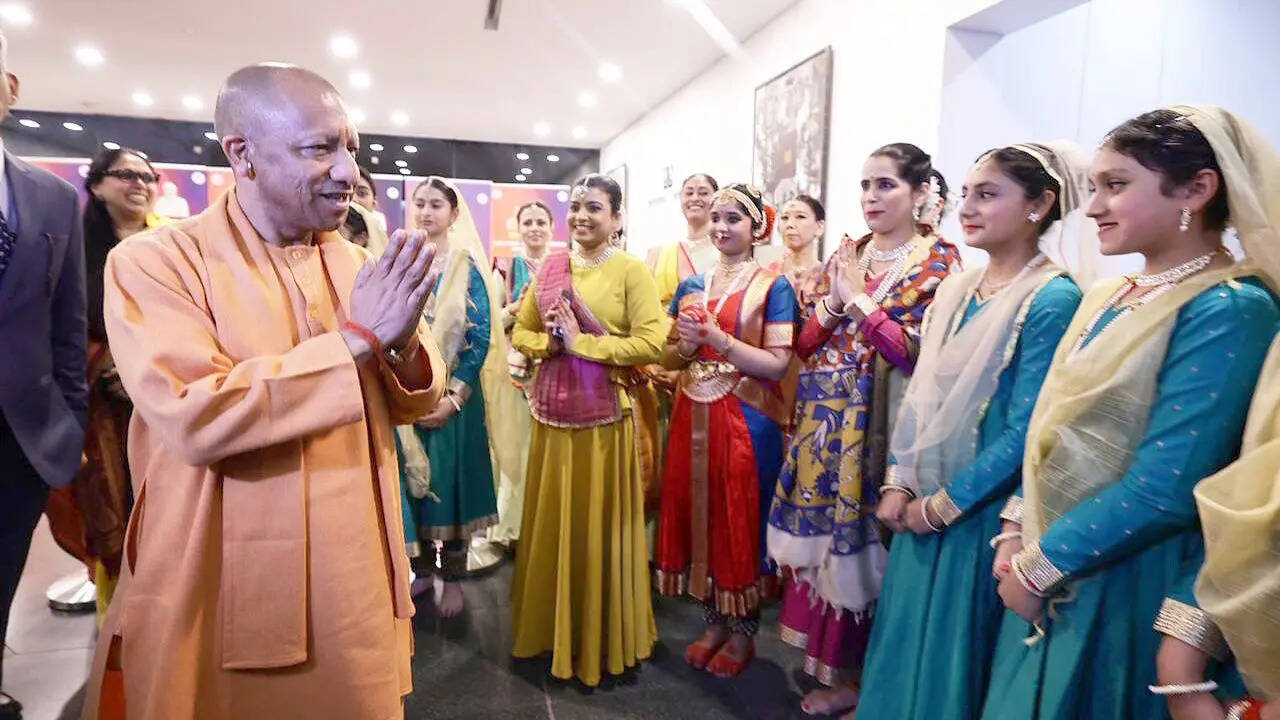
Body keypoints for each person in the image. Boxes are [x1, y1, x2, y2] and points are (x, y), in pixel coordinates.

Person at [82, 63, 447, 720]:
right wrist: (359, 339)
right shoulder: (155, 263)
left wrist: (402, 346)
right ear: (242, 153)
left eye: (351, 148)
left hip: (355, 575)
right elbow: (197, 415)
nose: (348, 171)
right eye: (320, 148)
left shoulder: (357, 262)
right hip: (222, 576)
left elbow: (415, 399)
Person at [981, 106, 1280, 720]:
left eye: (1115, 185)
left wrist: (1040, 566)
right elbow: (1051, 429)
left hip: (1127, 572)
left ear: (1196, 190)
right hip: (1055, 551)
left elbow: (1168, 486)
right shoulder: (1109, 295)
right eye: (1093, 187)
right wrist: (1015, 529)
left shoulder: (1230, 307)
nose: (1093, 207)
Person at [855, 143, 1087, 720]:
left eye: (987, 195)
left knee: (951, 656)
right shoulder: (959, 288)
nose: (967, 208)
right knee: (904, 641)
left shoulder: (1053, 297)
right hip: (922, 498)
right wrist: (900, 479)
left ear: (1040, 204)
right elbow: (922, 393)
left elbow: (1030, 428)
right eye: (965, 194)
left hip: (978, 512)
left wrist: (941, 508)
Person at [766, 143, 961, 716]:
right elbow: (805, 344)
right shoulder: (849, 253)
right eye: (865, 185)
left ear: (920, 192)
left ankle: (874, 685)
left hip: (880, 425)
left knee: (872, 553)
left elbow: (915, 355)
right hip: (824, 421)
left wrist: (857, 302)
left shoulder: (939, 262)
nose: (871, 197)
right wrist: (835, 300)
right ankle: (845, 676)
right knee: (828, 551)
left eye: (886, 185)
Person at [510, 173, 666, 688]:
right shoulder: (553, 266)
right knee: (555, 527)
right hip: (553, 418)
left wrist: (586, 345)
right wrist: (550, 345)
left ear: (617, 218)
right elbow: (522, 329)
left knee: (599, 531)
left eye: (594, 207)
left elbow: (652, 343)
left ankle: (601, 640)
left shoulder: (631, 271)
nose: (581, 216)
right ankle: (549, 633)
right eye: (576, 206)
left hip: (605, 423)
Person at [654, 183, 797, 677]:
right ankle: (712, 622)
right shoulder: (691, 286)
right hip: (692, 412)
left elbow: (777, 365)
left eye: (733, 218)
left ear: (757, 227)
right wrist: (688, 347)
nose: (721, 227)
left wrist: (717, 338)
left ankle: (742, 632)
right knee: (699, 514)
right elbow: (669, 357)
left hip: (747, 418)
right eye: (716, 217)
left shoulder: (774, 286)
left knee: (739, 517)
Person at [0, 29, 88, 720]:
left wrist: (71, 423)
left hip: (21, 437)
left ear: (10, 89)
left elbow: (67, 324)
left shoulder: (51, 199)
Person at [394, 177, 518, 617]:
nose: (426, 212)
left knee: (452, 482)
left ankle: (452, 575)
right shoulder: (402, 261)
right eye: (420, 203)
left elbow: (480, 336)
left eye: (435, 205)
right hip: (406, 393)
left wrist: (453, 398)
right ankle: (423, 572)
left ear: (453, 213)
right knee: (409, 484)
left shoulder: (466, 265)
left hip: (455, 402)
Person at [55, 148, 162, 620]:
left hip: (165, 401)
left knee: (170, 507)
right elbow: (59, 326)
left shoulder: (172, 244)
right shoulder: (72, 249)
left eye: (147, 176)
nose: (139, 184)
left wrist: (144, 369)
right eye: (126, 175)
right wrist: (108, 365)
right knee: (112, 508)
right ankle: (119, 624)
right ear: (97, 185)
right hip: (100, 407)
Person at [489, 200, 553, 544]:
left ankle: (546, 526)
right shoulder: (505, 267)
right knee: (517, 449)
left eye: (541, 222)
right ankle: (512, 529)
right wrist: (517, 307)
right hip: (517, 372)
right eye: (528, 222)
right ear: (518, 227)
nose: (535, 228)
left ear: (552, 228)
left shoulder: (565, 265)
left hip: (556, 368)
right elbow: (491, 320)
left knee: (549, 450)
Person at [647, 173, 720, 308]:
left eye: (703, 193)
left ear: (716, 200)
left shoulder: (724, 251)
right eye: (689, 193)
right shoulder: (660, 254)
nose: (695, 198)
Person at [767, 194, 827, 308]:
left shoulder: (827, 277)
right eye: (785, 218)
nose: (790, 224)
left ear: (819, 227)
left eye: (800, 217)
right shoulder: (767, 274)